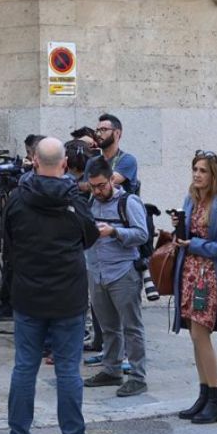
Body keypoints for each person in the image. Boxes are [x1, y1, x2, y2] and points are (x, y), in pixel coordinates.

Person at [3, 137, 103, 434]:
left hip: (29, 294)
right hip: (67, 297)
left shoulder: (17, 200)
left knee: (24, 367)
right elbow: (88, 237)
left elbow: (9, 244)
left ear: (34, 161)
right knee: (68, 370)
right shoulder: (75, 201)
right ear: (63, 164)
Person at [173, 150, 217, 425]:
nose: (197, 175)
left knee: (202, 336)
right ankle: (203, 395)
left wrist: (195, 244)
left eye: (202, 170)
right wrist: (179, 231)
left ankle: (216, 400)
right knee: (194, 337)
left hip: (207, 278)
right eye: (195, 169)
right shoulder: (190, 201)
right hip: (188, 274)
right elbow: (189, 236)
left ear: (213, 174)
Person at [81, 156, 150, 398]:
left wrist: (114, 232)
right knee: (108, 327)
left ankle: (138, 377)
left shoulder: (129, 202)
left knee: (132, 327)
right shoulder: (92, 200)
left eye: (101, 185)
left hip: (123, 272)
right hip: (97, 271)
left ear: (112, 179)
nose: (97, 191)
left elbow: (142, 234)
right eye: (93, 186)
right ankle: (111, 370)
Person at [93, 113, 155, 301]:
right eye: (97, 130)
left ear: (117, 133)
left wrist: (90, 181)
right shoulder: (94, 161)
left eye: (104, 130)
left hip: (124, 225)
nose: (99, 134)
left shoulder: (127, 160)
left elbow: (108, 182)